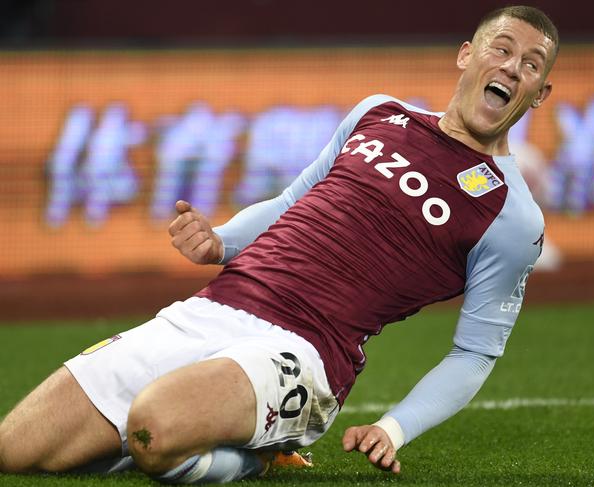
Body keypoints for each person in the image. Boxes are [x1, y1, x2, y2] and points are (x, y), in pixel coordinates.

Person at [0, 5, 558, 483]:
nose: (511, 67)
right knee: (15, 449)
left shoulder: (512, 218)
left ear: (539, 94)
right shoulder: (380, 113)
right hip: (212, 308)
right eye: (501, 49)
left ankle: (257, 458)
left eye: (530, 66)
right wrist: (219, 243)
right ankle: (228, 438)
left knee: (153, 428)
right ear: (467, 54)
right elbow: (292, 200)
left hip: (304, 353)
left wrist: (394, 427)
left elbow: (475, 352)